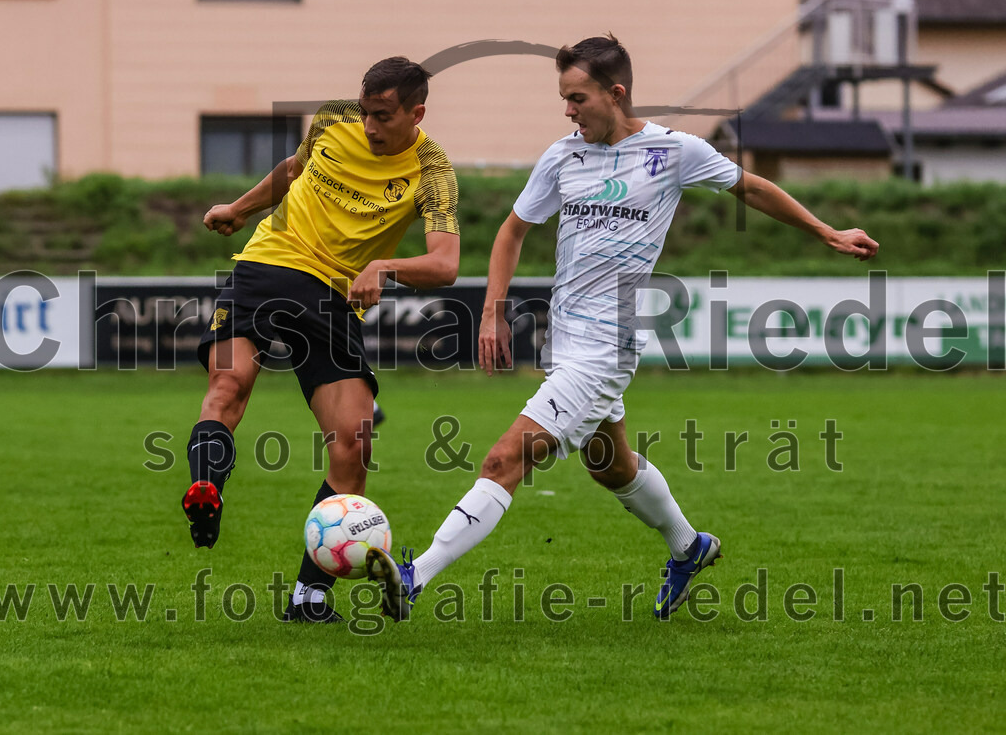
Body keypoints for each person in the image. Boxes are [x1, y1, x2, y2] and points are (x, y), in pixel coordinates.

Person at [366, 35, 878, 621]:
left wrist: (827, 233)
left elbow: (751, 188)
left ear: (616, 94)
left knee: (504, 460)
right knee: (610, 464)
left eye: (577, 97)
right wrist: (491, 310)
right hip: (568, 342)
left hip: (608, 347)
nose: (568, 110)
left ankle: (414, 575)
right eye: (563, 98)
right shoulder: (562, 156)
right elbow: (512, 231)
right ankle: (690, 547)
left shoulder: (673, 151)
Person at [182, 57, 460, 623]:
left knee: (349, 443)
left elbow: (444, 264)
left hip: (327, 296)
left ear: (417, 112)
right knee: (230, 389)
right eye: (366, 113)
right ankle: (211, 499)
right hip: (267, 264)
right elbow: (292, 170)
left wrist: (385, 265)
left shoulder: (433, 171)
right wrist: (237, 209)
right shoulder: (333, 119)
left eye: (383, 116)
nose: (370, 126)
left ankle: (304, 591)